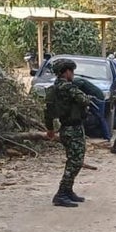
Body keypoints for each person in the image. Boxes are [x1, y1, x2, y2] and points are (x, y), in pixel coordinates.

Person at [43, 58, 91, 207]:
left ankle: (68, 191)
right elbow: (84, 100)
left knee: (73, 160)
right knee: (75, 162)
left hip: (65, 128)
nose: (73, 74)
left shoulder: (53, 89)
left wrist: (50, 129)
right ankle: (61, 194)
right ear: (66, 72)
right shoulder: (69, 88)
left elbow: (48, 111)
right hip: (73, 129)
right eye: (72, 71)